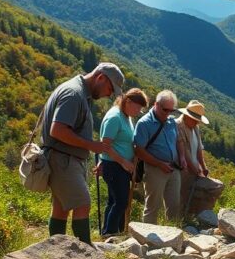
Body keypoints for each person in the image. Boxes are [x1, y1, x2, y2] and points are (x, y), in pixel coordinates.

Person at [41, 63, 124, 244]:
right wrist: (90, 145)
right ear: (100, 78)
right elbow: (58, 130)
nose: (109, 95)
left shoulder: (79, 92)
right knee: (82, 203)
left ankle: (56, 250)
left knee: (61, 208)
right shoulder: (74, 94)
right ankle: (86, 254)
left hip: (64, 158)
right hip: (63, 159)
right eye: (110, 89)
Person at [95, 88, 149, 236]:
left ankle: (112, 233)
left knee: (115, 201)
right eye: (137, 107)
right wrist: (123, 162)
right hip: (115, 166)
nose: (138, 111)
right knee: (121, 202)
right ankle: (111, 233)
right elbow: (105, 145)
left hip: (118, 166)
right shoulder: (115, 117)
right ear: (128, 102)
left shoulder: (126, 116)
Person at [133, 89, 182, 224]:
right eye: (165, 110)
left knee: (174, 205)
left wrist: (181, 158)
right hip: (154, 169)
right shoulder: (144, 123)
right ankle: (148, 239)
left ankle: (173, 236)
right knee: (153, 206)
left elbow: (178, 141)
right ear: (156, 105)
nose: (167, 114)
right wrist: (159, 164)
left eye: (171, 111)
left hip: (173, 168)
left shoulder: (171, 122)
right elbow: (138, 150)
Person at [176, 100, 223, 215]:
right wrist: (195, 169)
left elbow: (198, 150)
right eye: (195, 120)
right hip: (183, 169)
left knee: (190, 196)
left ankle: (189, 219)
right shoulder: (178, 126)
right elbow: (185, 153)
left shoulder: (195, 128)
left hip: (194, 169)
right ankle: (178, 220)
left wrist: (203, 167)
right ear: (187, 116)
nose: (197, 123)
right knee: (180, 196)